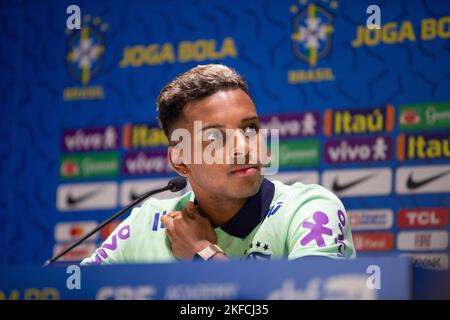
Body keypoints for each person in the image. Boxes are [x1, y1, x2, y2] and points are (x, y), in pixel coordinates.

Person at [81, 64, 355, 265]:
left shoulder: (310, 209)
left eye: (250, 129)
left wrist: (204, 252)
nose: (244, 147)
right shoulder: (147, 223)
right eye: (215, 137)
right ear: (180, 161)